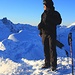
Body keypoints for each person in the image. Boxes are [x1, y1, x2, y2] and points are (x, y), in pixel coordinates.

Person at [38, 0, 62, 71]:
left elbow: (59, 21)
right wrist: (40, 31)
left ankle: (53, 65)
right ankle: (47, 63)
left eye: (44, 5)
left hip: (51, 33)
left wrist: (50, 19)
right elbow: (42, 22)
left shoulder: (55, 13)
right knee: (46, 49)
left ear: (48, 5)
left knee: (52, 49)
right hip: (44, 33)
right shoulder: (43, 14)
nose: (43, 7)